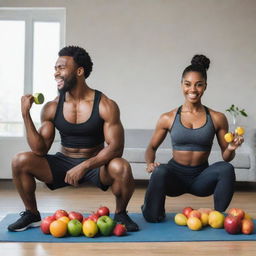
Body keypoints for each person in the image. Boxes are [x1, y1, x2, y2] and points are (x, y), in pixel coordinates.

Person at [8, 46, 139, 232]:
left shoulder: (105, 104)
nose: (56, 73)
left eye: (61, 68)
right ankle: (31, 214)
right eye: (55, 68)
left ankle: (121, 214)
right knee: (20, 160)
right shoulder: (52, 106)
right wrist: (25, 115)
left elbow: (116, 148)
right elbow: (40, 150)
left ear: (79, 71)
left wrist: (85, 166)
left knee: (122, 166)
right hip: (63, 162)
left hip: (96, 165)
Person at [141, 55, 244, 222]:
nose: (193, 90)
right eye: (187, 84)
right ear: (181, 85)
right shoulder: (168, 117)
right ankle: (153, 211)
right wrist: (150, 164)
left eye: (199, 85)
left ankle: (217, 216)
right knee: (159, 174)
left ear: (205, 86)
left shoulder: (217, 118)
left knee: (226, 168)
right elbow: (151, 147)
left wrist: (231, 148)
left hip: (201, 178)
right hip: (174, 177)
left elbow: (226, 156)